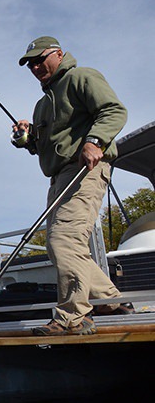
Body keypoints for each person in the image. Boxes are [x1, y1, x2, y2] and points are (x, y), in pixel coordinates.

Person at [12, 36, 129, 336]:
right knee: (58, 244)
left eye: (41, 59)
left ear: (59, 54)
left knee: (64, 239)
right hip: (58, 176)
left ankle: (74, 317)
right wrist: (27, 137)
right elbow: (44, 146)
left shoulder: (81, 77)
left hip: (84, 169)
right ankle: (110, 302)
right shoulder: (42, 105)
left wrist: (94, 141)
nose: (36, 66)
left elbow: (114, 110)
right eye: (31, 64)